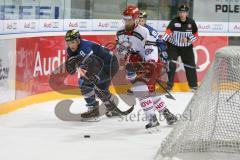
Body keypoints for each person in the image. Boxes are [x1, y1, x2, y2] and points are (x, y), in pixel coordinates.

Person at [116, 5, 177, 129]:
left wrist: (148, 66)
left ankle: (153, 119)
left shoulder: (145, 32)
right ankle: (167, 114)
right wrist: (123, 51)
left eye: (130, 19)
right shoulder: (120, 32)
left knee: (141, 90)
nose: (127, 22)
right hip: (134, 63)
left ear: (136, 19)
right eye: (125, 19)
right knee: (149, 92)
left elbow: (151, 53)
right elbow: (121, 50)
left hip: (150, 63)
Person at [65, 29, 120, 118]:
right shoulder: (70, 50)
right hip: (106, 64)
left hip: (109, 65)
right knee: (101, 88)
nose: (71, 45)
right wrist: (72, 65)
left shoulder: (84, 48)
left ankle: (93, 109)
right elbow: (71, 71)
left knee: (84, 83)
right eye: (68, 42)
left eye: (72, 42)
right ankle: (112, 108)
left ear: (78, 40)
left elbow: (94, 63)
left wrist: (93, 75)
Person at [126, 11, 168, 95]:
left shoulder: (151, 30)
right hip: (139, 52)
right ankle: (137, 86)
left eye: (142, 20)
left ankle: (150, 87)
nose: (140, 21)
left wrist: (163, 50)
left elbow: (160, 41)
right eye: (138, 19)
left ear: (145, 21)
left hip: (150, 51)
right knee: (134, 65)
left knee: (151, 68)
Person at [162, 5, 198, 92]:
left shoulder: (191, 22)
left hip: (187, 48)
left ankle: (193, 86)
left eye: (184, 12)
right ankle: (169, 85)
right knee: (170, 64)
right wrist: (162, 43)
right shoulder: (174, 22)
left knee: (191, 66)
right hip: (174, 47)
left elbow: (196, 35)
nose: (182, 14)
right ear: (178, 13)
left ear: (187, 13)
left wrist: (188, 39)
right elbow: (167, 33)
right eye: (181, 12)